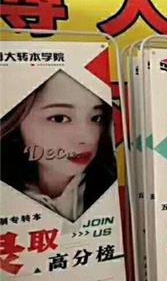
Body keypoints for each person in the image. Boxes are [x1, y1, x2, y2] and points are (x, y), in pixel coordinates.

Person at [0, 71, 116, 222]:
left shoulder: (115, 190)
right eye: (59, 118)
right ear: (18, 118)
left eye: (96, 118)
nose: (87, 138)